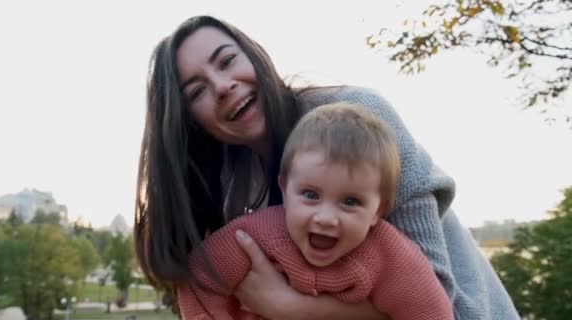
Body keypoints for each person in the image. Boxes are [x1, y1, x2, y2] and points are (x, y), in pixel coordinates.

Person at [134, 15, 520, 320]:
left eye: (227, 61)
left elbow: (433, 292)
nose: (222, 85)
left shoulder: (357, 123)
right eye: (198, 91)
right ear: (190, 120)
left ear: (256, 55)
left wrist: (288, 308)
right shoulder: (233, 185)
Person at [177, 102, 453, 320]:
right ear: (285, 191)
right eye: (310, 195)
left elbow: (430, 311)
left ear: (377, 212)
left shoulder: (389, 257)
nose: (325, 218)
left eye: (350, 202)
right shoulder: (257, 235)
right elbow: (199, 280)